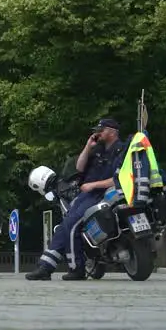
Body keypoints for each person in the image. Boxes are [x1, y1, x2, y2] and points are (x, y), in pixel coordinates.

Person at [27, 118, 127, 281]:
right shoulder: (97, 150)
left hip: (104, 194)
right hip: (87, 194)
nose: (97, 133)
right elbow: (80, 167)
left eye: (100, 131)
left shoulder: (122, 151)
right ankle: (45, 266)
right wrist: (88, 146)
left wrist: (93, 185)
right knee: (64, 227)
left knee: (71, 224)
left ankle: (76, 268)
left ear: (112, 132)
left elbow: (121, 178)